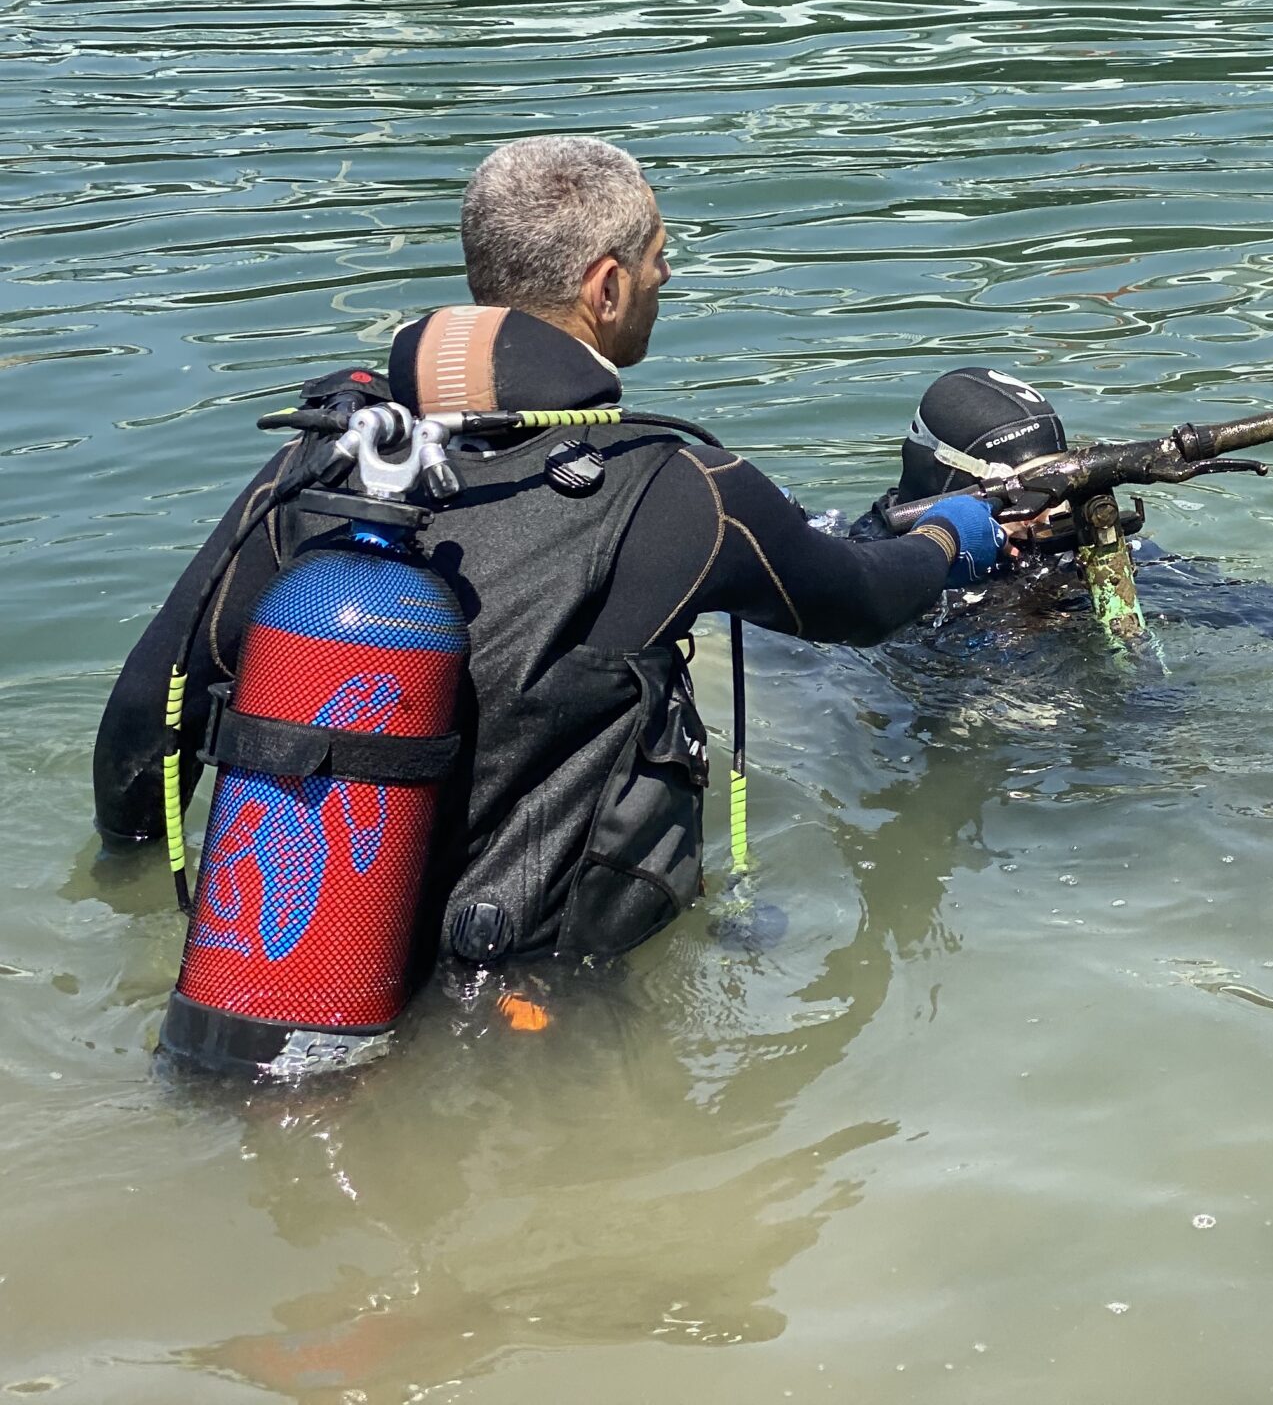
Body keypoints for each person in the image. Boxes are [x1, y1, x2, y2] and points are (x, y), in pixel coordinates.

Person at [91, 136, 1014, 967]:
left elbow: (143, 716)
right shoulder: (679, 488)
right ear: (605, 286)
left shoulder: (324, 461)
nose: (669, 280)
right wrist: (949, 535)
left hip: (294, 956)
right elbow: (860, 601)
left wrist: (130, 895)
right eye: (660, 261)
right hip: (537, 992)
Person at [848, 365, 1273, 659]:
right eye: (1022, 491)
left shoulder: (1070, 548)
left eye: (1060, 476)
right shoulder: (875, 571)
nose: (1051, 509)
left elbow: (1227, 603)